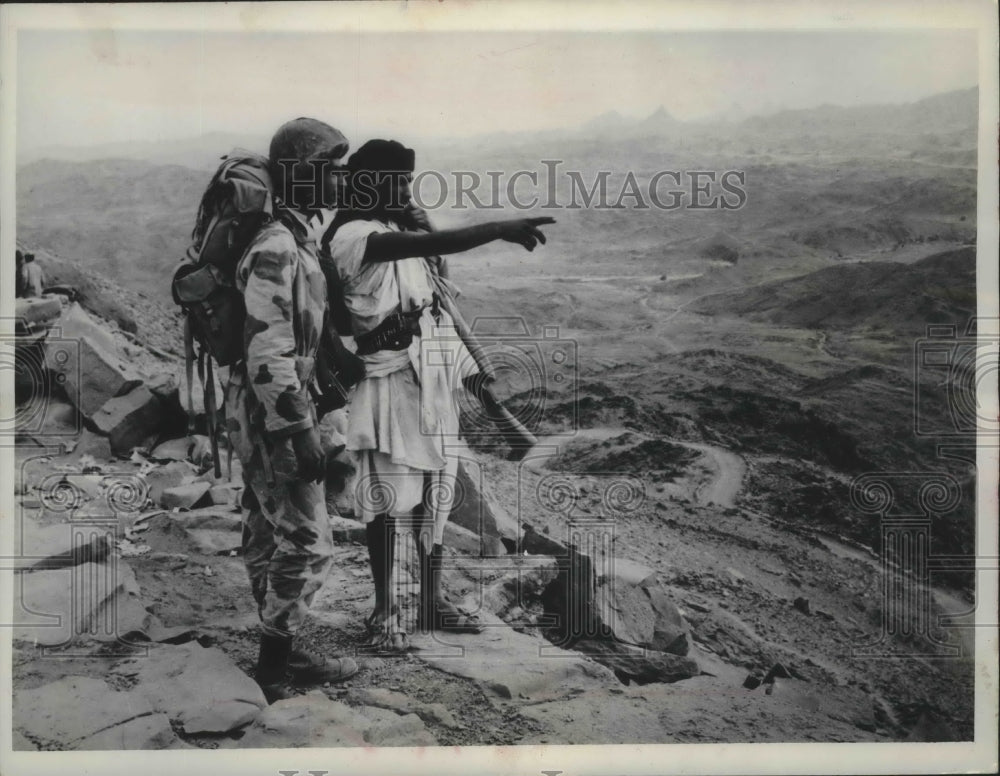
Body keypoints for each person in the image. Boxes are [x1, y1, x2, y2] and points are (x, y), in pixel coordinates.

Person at [325, 139, 554, 651]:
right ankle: (384, 611)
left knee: (436, 491)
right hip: (388, 379)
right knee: (387, 495)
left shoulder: (397, 233)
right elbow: (437, 247)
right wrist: (497, 228)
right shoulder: (354, 236)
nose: (408, 191)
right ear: (370, 183)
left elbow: (437, 292)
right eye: (399, 182)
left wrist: (472, 378)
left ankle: (430, 601)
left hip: (429, 372)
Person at [224, 117, 358, 702]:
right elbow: (267, 350)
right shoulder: (278, 246)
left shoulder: (297, 239)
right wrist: (299, 431)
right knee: (307, 541)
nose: (340, 178)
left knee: (265, 527)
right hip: (272, 410)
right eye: (330, 168)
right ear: (301, 175)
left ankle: (280, 645)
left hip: (271, 406)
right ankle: (275, 667)